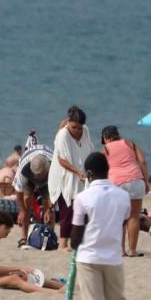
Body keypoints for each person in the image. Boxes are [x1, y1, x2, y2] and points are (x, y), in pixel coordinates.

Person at [70, 152, 135, 300]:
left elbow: (75, 238)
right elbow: (123, 220)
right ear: (107, 170)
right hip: (114, 258)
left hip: (88, 258)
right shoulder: (123, 196)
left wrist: (84, 231)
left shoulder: (82, 198)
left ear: (88, 174)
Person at [0, 212, 65, 292]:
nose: (9, 231)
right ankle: (54, 293)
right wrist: (18, 268)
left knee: (27, 276)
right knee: (15, 279)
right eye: (7, 228)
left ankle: (64, 287)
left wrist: (18, 271)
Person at [49, 107, 93, 251]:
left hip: (79, 174)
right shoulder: (63, 135)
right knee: (66, 210)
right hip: (63, 176)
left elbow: (88, 149)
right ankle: (63, 244)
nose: (77, 131)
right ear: (69, 123)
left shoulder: (85, 131)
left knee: (81, 209)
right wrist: (77, 171)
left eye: (79, 128)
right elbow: (62, 160)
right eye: (74, 127)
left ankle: (78, 242)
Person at [101, 125, 149, 257]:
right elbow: (143, 161)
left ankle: (120, 251)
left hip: (117, 183)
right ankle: (132, 250)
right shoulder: (130, 144)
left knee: (119, 218)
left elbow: (101, 168)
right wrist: (147, 181)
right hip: (136, 180)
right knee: (134, 216)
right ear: (118, 135)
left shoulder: (105, 149)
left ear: (105, 138)